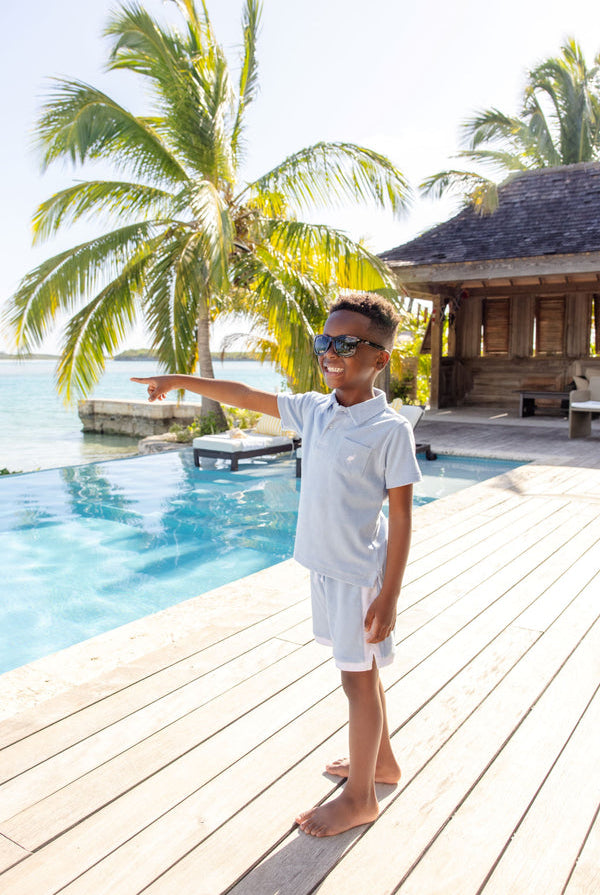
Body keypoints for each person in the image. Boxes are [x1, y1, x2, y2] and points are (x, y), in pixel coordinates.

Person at [132, 291, 422, 837]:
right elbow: (244, 394)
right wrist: (180, 380)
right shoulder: (315, 409)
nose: (330, 352)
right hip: (324, 566)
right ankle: (381, 764)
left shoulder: (390, 430)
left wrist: (389, 596)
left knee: (357, 681)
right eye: (324, 341)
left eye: (346, 344)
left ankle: (361, 798)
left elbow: (403, 518)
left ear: (380, 358)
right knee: (361, 670)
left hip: (358, 576)